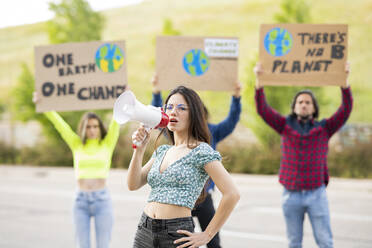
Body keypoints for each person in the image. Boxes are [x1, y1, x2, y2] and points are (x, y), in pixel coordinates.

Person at [254, 63, 353, 248]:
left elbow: (345, 110)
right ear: (295, 107)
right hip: (291, 195)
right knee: (294, 242)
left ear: (314, 108)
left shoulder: (325, 128)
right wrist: (259, 82)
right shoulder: (285, 125)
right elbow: (263, 110)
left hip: (317, 194)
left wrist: (344, 82)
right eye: (300, 102)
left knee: (325, 241)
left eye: (308, 102)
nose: (304, 105)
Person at [128, 85, 240, 248]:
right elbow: (133, 184)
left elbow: (232, 194)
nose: (173, 112)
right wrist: (139, 150)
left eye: (181, 108)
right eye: (170, 107)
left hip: (176, 233)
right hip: (144, 229)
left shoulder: (201, 150)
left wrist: (206, 235)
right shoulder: (162, 151)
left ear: (193, 115)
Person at [33, 91, 121, 248]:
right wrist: (42, 104)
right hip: (80, 201)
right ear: (83, 129)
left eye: (95, 126)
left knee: (103, 245)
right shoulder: (76, 144)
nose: (92, 130)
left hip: (102, 200)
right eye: (88, 127)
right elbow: (59, 124)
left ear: (100, 128)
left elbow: (116, 120)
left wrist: (122, 97)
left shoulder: (107, 144)